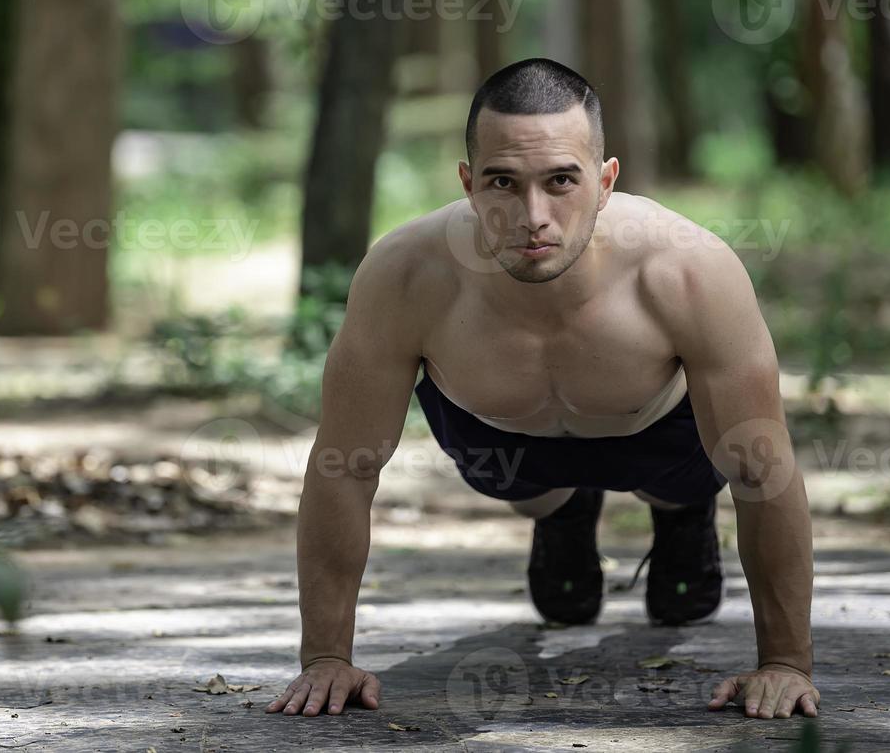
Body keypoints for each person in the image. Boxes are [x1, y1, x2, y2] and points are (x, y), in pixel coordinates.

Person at [266, 58, 818, 722]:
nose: (534, 216)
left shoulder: (688, 270)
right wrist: (325, 656)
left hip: (662, 435)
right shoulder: (406, 274)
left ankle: (680, 515)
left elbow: (762, 469)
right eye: (503, 182)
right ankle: (560, 515)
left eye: (561, 181)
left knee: (691, 489)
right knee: (548, 540)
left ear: (606, 181)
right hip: (503, 438)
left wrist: (785, 663)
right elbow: (344, 467)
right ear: (469, 184)